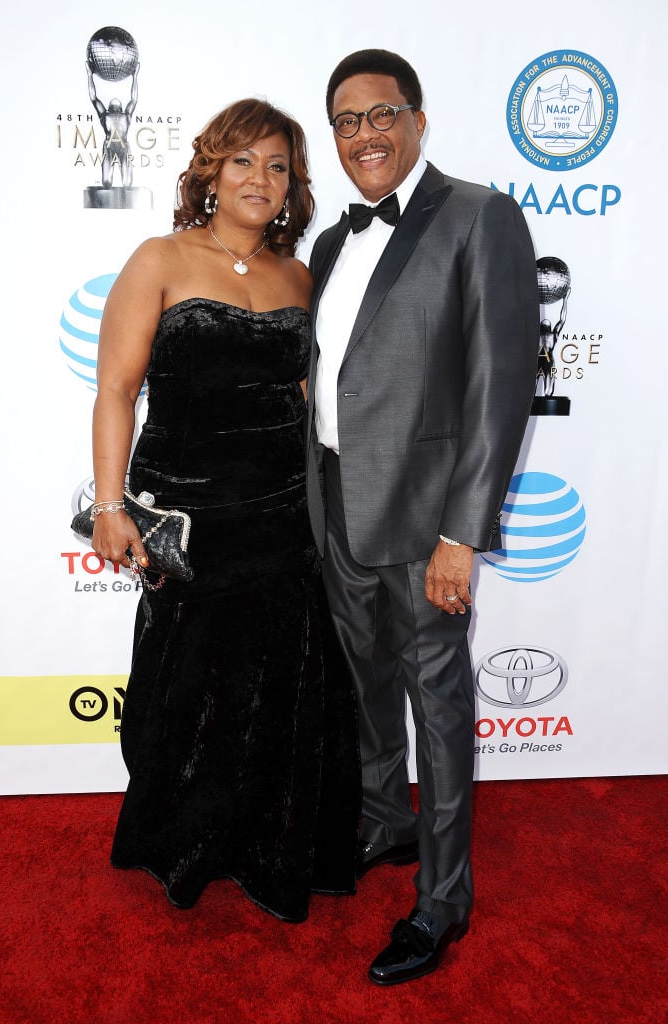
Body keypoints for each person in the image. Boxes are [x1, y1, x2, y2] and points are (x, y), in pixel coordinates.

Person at [90, 98, 360, 923]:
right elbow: (115, 391)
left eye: (278, 166)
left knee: (276, 686)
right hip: (188, 520)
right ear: (210, 171)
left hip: (282, 516)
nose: (261, 179)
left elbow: (319, 400)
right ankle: (185, 840)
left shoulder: (300, 275)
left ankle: (264, 841)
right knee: (188, 689)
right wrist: (110, 502)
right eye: (243, 161)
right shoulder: (159, 258)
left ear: (293, 186)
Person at [305, 50, 538, 982]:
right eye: (346, 120)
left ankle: (442, 902)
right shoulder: (329, 242)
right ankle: (385, 822)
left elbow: (499, 388)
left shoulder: (480, 216)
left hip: (425, 525)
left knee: (436, 712)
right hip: (334, 508)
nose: (364, 133)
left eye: (381, 113)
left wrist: (461, 534)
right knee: (363, 690)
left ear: (418, 119)